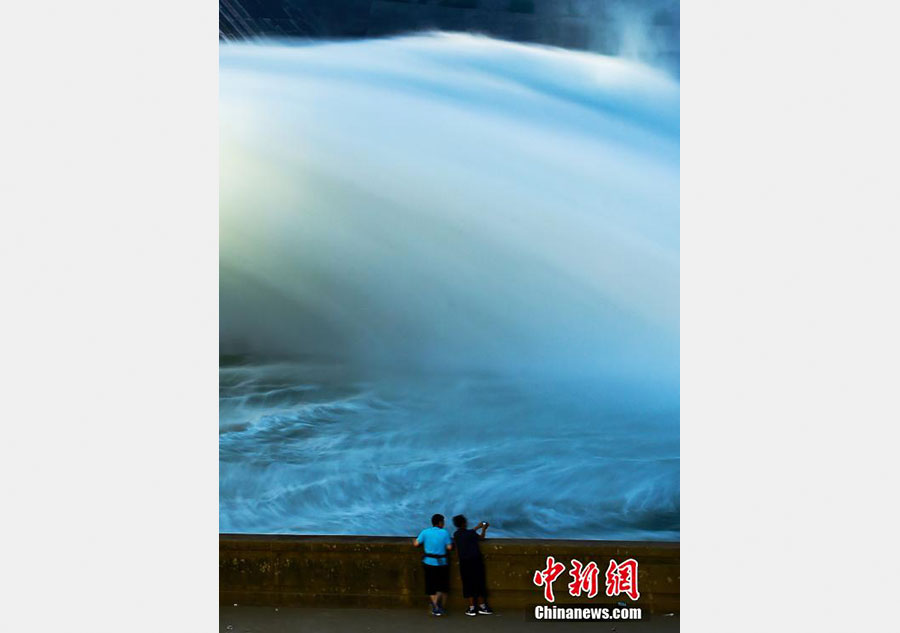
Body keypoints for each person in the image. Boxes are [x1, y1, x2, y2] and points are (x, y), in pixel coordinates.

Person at [452, 514, 494, 616]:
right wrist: (483, 529)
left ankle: (471, 608)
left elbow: (466, 535)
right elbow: (481, 538)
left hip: (464, 562)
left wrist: (477, 527)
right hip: (475, 561)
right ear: (464, 523)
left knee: (467, 584)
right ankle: (482, 606)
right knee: (479, 583)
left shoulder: (456, 534)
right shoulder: (471, 533)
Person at [414, 513, 453, 616]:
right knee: (441, 585)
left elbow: (416, 544)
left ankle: (435, 606)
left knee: (431, 585)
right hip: (442, 563)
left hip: (428, 562)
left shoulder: (425, 532)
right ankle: (437, 606)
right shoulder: (444, 532)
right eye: (443, 522)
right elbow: (449, 547)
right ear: (440, 523)